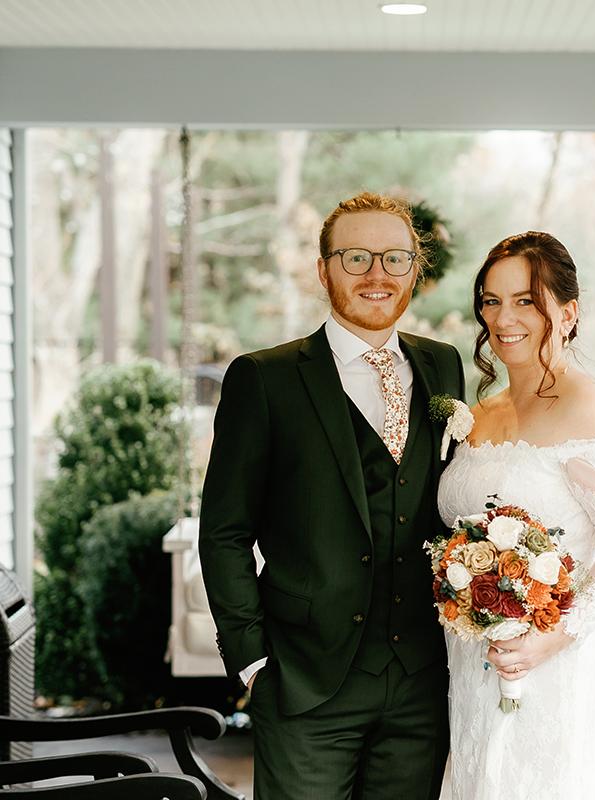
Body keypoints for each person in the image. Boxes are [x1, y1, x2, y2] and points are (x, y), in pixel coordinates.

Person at [199, 191, 464, 800]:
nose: (378, 274)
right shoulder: (264, 379)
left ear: (415, 271)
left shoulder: (442, 367)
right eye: (356, 258)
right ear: (324, 271)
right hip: (304, 683)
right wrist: (253, 662)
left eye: (395, 259)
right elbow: (224, 532)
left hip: (421, 684)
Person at [437, 231, 595, 799]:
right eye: (491, 300)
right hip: (472, 661)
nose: (503, 317)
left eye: (525, 300)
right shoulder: (481, 414)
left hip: (556, 667)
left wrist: (552, 638)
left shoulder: (590, 410)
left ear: (568, 310)